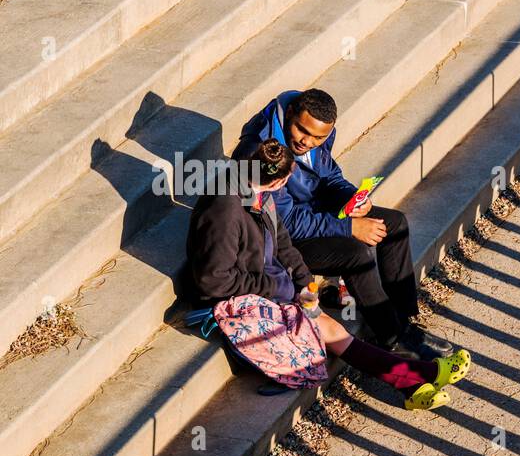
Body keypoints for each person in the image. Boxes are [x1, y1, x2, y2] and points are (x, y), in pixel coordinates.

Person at [185, 139, 470, 410]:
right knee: (329, 328)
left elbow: (283, 243)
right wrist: (278, 286)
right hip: (233, 300)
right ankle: (419, 376)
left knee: (329, 327)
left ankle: (413, 383)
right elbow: (214, 281)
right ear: (277, 181)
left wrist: (301, 279)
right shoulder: (223, 211)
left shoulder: (260, 191)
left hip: (266, 285)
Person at [232, 87, 451, 363]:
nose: (307, 142)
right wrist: (349, 227)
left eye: (317, 137)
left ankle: (401, 319)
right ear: (290, 114)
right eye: (302, 130)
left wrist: (350, 197)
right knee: (355, 253)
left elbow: (328, 174)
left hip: (311, 212)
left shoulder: (319, 132)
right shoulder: (262, 150)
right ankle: (392, 338)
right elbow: (284, 223)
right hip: (278, 240)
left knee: (394, 223)